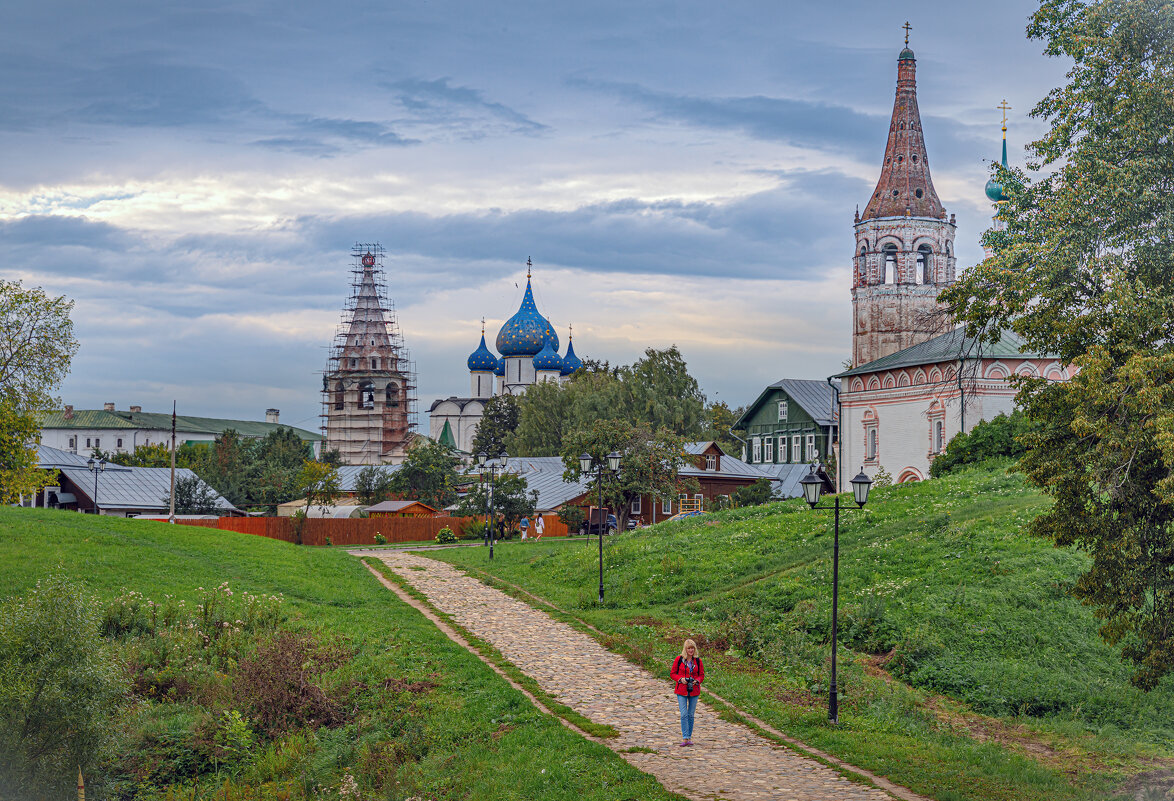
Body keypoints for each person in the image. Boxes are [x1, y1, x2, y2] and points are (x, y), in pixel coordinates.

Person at [670, 639, 704, 746]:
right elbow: (672, 673)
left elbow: (701, 675)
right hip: (681, 690)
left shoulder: (698, 661)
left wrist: (697, 681)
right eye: (689, 648)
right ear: (685, 649)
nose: (691, 650)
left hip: (694, 690)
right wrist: (680, 679)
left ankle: (689, 737)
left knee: (691, 715)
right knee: (684, 714)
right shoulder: (679, 659)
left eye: (692, 648)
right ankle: (685, 737)